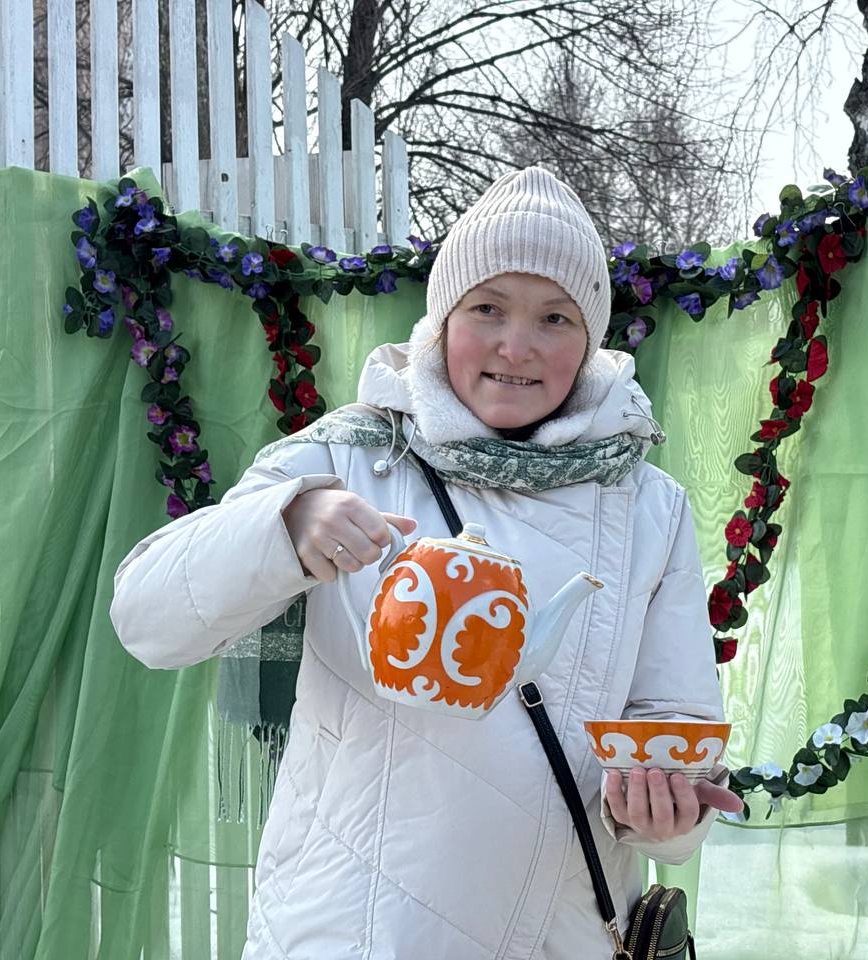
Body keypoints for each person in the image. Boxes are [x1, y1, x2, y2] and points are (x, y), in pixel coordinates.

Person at [110, 165, 742, 959]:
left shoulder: (649, 506)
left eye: (555, 317)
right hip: (347, 931)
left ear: (590, 342)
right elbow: (147, 617)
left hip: (558, 934)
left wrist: (665, 815)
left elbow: (673, 718)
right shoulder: (347, 456)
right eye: (487, 309)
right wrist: (284, 525)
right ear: (443, 319)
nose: (518, 346)